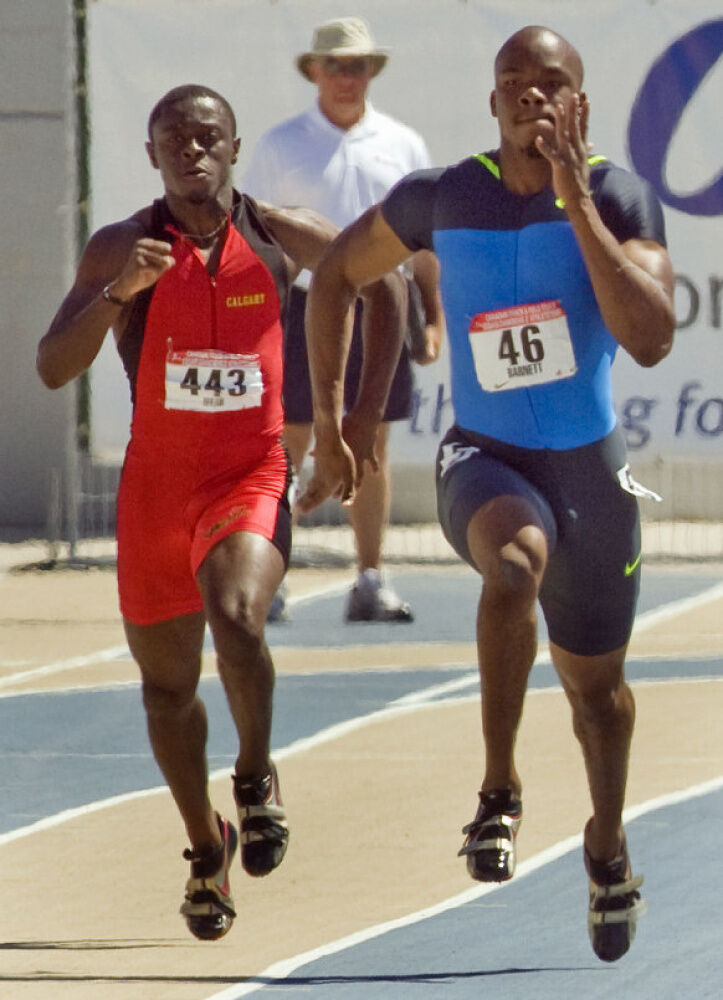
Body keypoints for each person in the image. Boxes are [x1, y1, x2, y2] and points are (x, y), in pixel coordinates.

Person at [298, 26, 675, 962]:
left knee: (599, 700)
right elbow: (336, 278)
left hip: (589, 471)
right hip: (485, 455)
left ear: (577, 103)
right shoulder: (442, 196)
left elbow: (652, 336)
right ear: (492, 101)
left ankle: (606, 843)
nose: (531, 98)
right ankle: (498, 790)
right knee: (510, 566)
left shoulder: (618, 193)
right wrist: (340, 422)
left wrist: (576, 200)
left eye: (551, 84)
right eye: (513, 83)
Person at [36, 84, 405, 942]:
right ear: (151, 152)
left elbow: (379, 289)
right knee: (166, 693)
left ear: (234, 146)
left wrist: (355, 418)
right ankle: (207, 848)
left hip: (249, 472)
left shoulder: (278, 235)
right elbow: (54, 366)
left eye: (208, 136)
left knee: (238, 616)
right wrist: (119, 293)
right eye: (174, 138)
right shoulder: (123, 245)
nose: (191, 150)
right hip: (154, 494)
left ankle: (254, 774)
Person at [244, 16, 444, 623]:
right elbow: (257, 241)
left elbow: (424, 242)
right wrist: (260, 323)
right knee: (289, 442)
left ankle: (370, 579)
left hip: (385, 307)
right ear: (313, 71)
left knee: (374, 444)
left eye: (357, 65)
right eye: (335, 65)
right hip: (304, 309)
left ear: (371, 73)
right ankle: (271, 573)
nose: (347, 77)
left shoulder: (404, 144)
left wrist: (432, 316)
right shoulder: (282, 144)